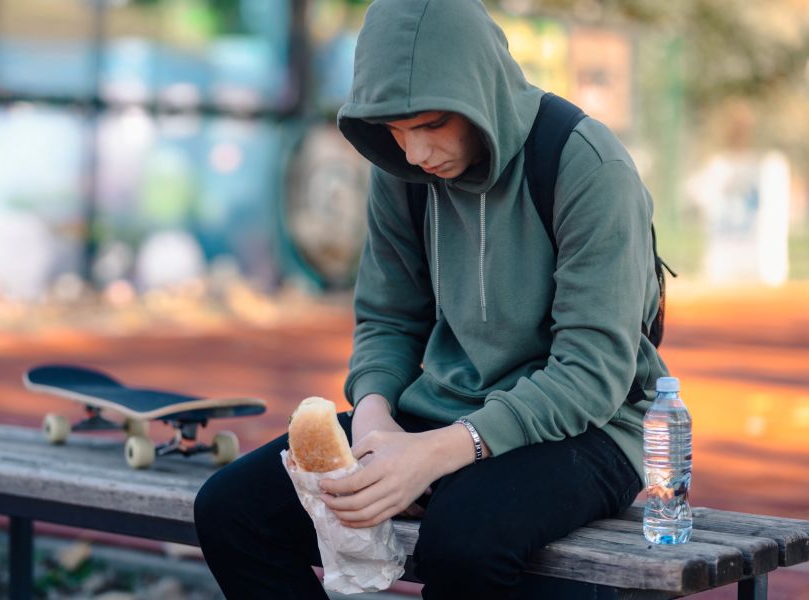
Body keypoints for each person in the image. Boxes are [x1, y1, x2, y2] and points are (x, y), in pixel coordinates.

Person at [194, 0, 668, 597]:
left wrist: (439, 454)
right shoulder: (402, 169)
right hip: (443, 409)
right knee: (230, 511)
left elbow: (591, 374)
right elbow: (387, 316)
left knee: (463, 541)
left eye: (432, 124)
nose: (415, 152)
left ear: (481, 91)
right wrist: (374, 424)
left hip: (590, 427)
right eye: (395, 130)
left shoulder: (590, 168)